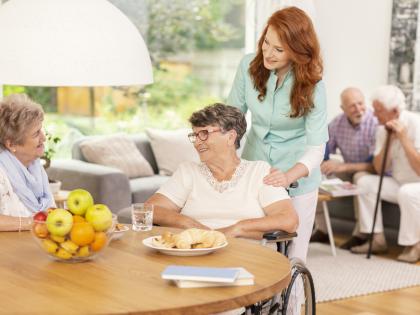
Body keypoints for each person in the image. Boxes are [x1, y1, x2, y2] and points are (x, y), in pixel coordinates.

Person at [227, 6, 328, 262]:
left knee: (293, 258)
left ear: (297, 52)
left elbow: (316, 148)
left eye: (279, 50)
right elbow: (232, 119)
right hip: (255, 169)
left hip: (298, 178)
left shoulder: (313, 86)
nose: (268, 54)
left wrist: (288, 176)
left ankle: (292, 303)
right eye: (266, 43)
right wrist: (224, 156)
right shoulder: (248, 66)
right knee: (251, 249)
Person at [147, 103, 299, 240]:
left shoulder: (259, 171)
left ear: (230, 137)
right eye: (194, 135)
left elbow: (288, 220)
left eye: (204, 133)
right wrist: (187, 223)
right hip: (196, 249)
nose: (197, 142)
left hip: (247, 255)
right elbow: (149, 209)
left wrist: (237, 228)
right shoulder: (188, 171)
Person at [350, 85, 420, 263]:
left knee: (408, 192)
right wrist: (389, 139)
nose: (374, 115)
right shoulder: (382, 129)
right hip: (400, 183)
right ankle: (377, 239)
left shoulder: (416, 124)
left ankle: (414, 245)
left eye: (378, 110)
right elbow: (379, 169)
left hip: (416, 186)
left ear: (395, 110)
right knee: (364, 183)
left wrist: (403, 139)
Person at [311, 87, 378, 249]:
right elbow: (323, 150)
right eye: (352, 106)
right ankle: (322, 230)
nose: (358, 109)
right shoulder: (336, 123)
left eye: (360, 103)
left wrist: (342, 166)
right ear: (343, 109)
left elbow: (375, 166)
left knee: (360, 177)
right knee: (313, 177)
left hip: (369, 171)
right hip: (347, 170)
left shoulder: (376, 123)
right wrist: (322, 165)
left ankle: (360, 235)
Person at [0, 94, 54, 231]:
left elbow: (51, 213)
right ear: (12, 144)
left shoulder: (36, 169)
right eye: (36, 134)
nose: (44, 138)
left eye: (41, 129)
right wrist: (36, 222)